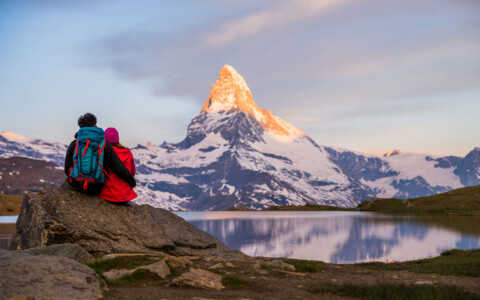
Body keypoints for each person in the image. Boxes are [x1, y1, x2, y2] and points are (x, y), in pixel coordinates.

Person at [64, 113, 136, 195]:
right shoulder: (103, 144)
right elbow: (118, 167)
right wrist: (132, 182)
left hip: (76, 184)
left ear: (80, 127)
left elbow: (67, 168)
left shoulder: (75, 143)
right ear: (95, 124)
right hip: (95, 187)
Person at [99, 127, 137, 202]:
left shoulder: (104, 152)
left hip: (108, 195)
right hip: (125, 197)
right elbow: (132, 173)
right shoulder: (128, 152)